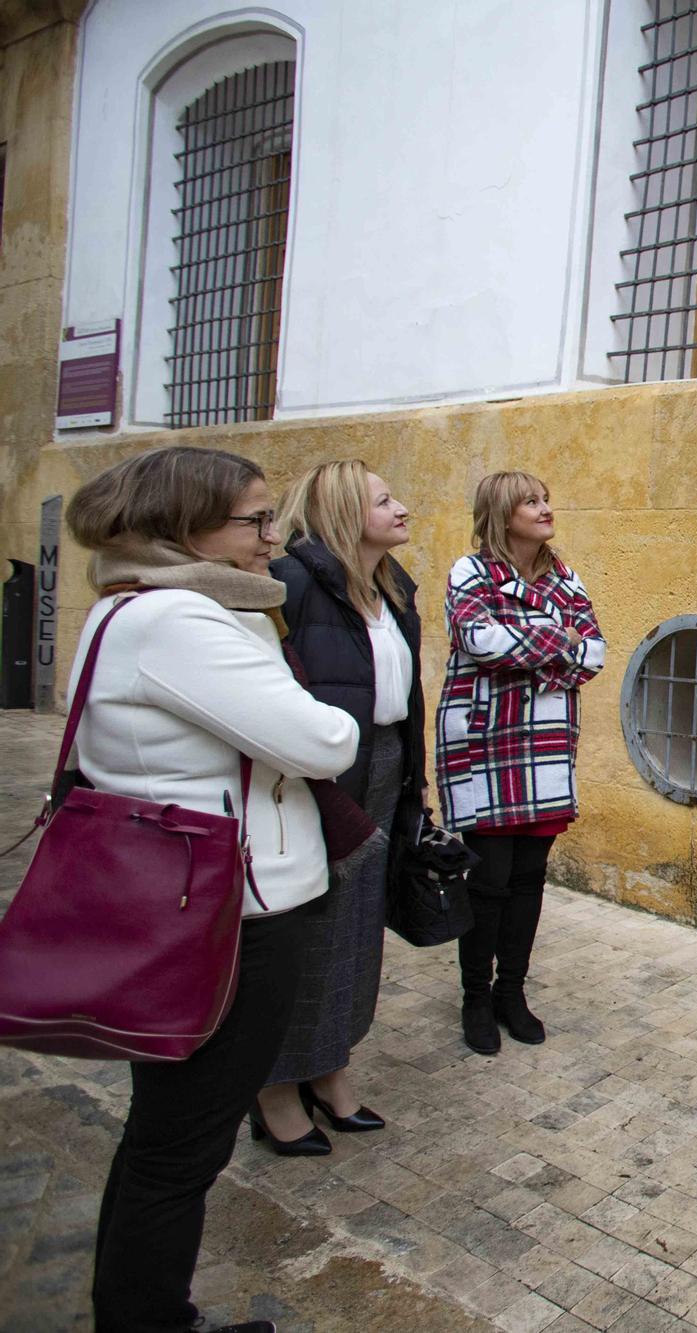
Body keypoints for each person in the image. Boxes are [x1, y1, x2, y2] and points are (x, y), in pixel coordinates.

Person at [63, 446, 359, 1333]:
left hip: (209, 901)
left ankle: (139, 1310)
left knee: (166, 1137)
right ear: (182, 526)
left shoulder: (155, 607)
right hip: (233, 913)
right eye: (255, 520)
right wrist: (323, 709)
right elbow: (324, 740)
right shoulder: (178, 621)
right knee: (181, 1145)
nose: (275, 536)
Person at [247, 461, 424, 1153]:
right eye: (386, 500)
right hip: (317, 780)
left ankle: (329, 1071)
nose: (403, 507)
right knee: (310, 934)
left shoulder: (391, 587)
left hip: (382, 767)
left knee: (355, 931)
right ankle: (272, 1090)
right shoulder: (292, 583)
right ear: (350, 512)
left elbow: (401, 700)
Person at [437, 471, 605, 1055]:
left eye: (544, 499)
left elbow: (595, 652)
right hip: (485, 742)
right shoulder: (470, 572)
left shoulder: (567, 576)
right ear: (502, 513)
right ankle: (475, 997)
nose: (544, 508)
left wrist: (529, 646)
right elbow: (479, 641)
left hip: (547, 743)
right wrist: (556, 639)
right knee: (487, 879)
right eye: (530, 502)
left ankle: (512, 992)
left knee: (529, 877)